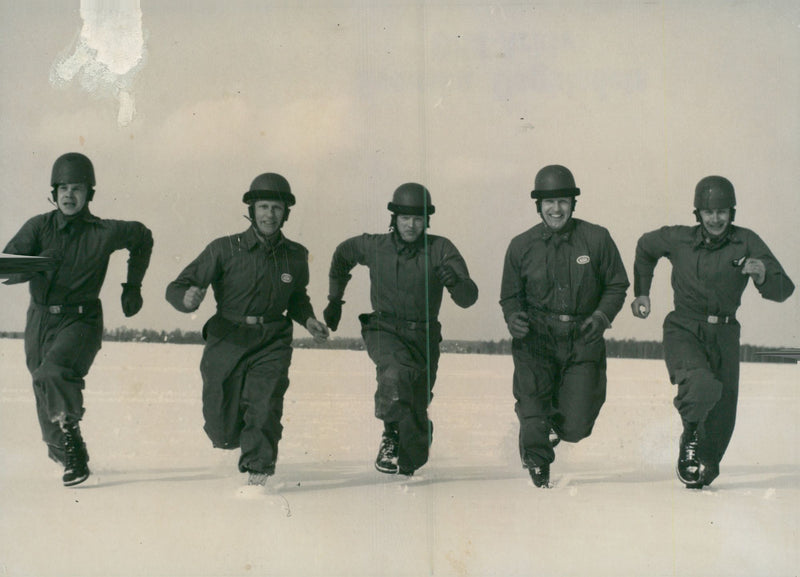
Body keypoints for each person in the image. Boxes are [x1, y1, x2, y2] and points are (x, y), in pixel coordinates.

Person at [165, 173, 329, 487]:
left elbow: (296, 297)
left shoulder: (295, 255)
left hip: (272, 340)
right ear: (252, 210)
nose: (270, 214)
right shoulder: (223, 249)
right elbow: (179, 286)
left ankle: (258, 472)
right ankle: (236, 437)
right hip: (227, 339)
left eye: (277, 208)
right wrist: (186, 300)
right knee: (221, 428)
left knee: (265, 404)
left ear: (286, 213)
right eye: (264, 207)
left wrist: (307, 319)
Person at [631, 175, 794, 489]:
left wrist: (762, 275)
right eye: (709, 212)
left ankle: (706, 462)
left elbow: (783, 289)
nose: (716, 218)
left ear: (732, 212)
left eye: (722, 211)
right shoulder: (678, 238)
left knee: (723, 412)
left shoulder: (747, 241)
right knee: (702, 384)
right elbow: (645, 247)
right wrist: (642, 291)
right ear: (698, 214)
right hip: (684, 327)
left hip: (725, 334)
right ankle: (690, 436)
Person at [2, 152, 153, 486]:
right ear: (54, 193)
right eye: (64, 188)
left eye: (78, 188)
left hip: (81, 321)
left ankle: (75, 452)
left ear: (89, 195)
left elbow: (143, 237)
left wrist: (132, 286)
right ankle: (64, 453)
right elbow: (7, 264)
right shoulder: (38, 227)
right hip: (40, 320)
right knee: (42, 385)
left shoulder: (104, 232)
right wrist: (39, 263)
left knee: (52, 372)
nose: (70, 195)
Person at [324, 183, 478, 477]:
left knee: (415, 423)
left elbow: (468, 299)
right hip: (384, 329)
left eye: (418, 218)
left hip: (424, 336)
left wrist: (456, 283)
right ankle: (390, 436)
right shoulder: (374, 245)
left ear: (427, 221)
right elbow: (342, 255)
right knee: (396, 373)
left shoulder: (441, 248)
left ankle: (411, 445)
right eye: (404, 218)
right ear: (393, 218)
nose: (411, 225)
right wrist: (335, 300)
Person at [500, 165, 629, 488]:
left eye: (563, 202)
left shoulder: (597, 239)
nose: (556, 209)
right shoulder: (521, 246)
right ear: (538, 205)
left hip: (583, 337)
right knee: (532, 408)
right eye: (549, 202)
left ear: (573, 204)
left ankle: (548, 426)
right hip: (535, 340)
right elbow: (510, 296)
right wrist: (513, 317)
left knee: (577, 425)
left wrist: (601, 317)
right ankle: (537, 459)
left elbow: (616, 285)